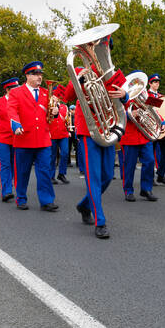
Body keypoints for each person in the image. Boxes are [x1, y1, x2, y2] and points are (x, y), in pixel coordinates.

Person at [57, 57, 127, 239]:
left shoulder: (113, 73)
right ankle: (100, 221)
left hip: (108, 127)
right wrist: (78, 79)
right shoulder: (81, 70)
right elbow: (68, 97)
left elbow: (124, 99)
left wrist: (124, 95)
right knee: (93, 177)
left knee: (106, 176)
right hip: (88, 129)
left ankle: (84, 205)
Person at [7, 61, 59, 212]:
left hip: (43, 139)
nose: (39, 77)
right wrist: (16, 125)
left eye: (40, 74)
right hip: (24, 138)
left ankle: (47, 200)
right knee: (22, 172)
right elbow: (12, 110)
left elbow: (49, 113)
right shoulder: (16, 92)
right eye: (35, 74)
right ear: (27, 76)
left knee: (44, 171)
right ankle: (21, 198)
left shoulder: (46, 92)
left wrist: (54, 112)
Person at [118, 71, 157, 202]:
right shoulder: (122, 97)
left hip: (144, 134)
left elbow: (155, 110)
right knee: (129, 165)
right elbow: (116, 112)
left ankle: (146, 189)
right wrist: (129, 114)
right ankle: (128, 190)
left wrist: (161, 122)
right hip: (129, 136)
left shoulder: (146, 95)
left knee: (150, 161)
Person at [147, 74, 165, 185]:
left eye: (158, 81)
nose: (157, 83)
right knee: (150, 154)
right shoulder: (147, 95)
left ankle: (161, 175)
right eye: (154, 82)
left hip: (162, 129)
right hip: (151, 127)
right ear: (150, 83)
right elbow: (153, 111)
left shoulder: (162, 97)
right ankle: (150, 177)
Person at [48, 99, 71, 184]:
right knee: (52, 156)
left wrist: (68, 131)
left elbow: (67, 120)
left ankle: (61, 174)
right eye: (54, 96)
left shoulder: (64, 107)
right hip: (52, 134)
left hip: (63, 133)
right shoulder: (48, 106)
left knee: (65, 153)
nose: (56, 98)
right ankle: (51, 176)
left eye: (58, 96)